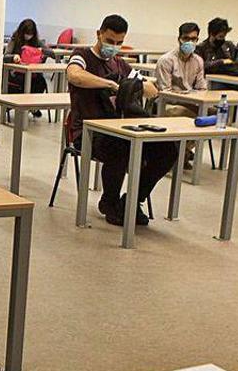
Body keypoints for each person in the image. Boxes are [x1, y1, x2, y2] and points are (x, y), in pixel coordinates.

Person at [64, 15, 178, 227]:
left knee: (167, 150)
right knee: (120, 147)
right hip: (87, 132)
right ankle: (109, 202)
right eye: (109, 41)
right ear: (99, 34)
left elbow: (150, 87)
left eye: (118, 43)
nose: (113, 47)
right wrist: (111, 84)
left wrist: (139, 85)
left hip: (119, 129)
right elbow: (75, 76)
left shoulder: (119, 64)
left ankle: (133, 200)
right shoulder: (82, 56)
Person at [155, 22, 207, 169]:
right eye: (186, 38)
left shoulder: (198, 61)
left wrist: (192, 96)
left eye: (194, 39)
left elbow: (202, 88)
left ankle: (184, 150)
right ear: (179, 39)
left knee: (217, 115)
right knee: (182, 113)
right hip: (168, 104)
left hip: (191, 102)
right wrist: (187, 95)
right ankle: (179, 152)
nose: (189, 42)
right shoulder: (166, 60)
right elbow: (165, 92)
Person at [4, 19, 58, 117]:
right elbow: (5, 56)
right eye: (26, 34)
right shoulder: (14, 40)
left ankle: (32, 106)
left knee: (41, 82)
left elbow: (52, 53)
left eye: (30, 34)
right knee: (23, 83)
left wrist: (42, 50)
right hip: (16, 73)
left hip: (33, 74)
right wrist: (14, 57)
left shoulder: (36, 41)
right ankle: (23, 107)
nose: (28, 36)